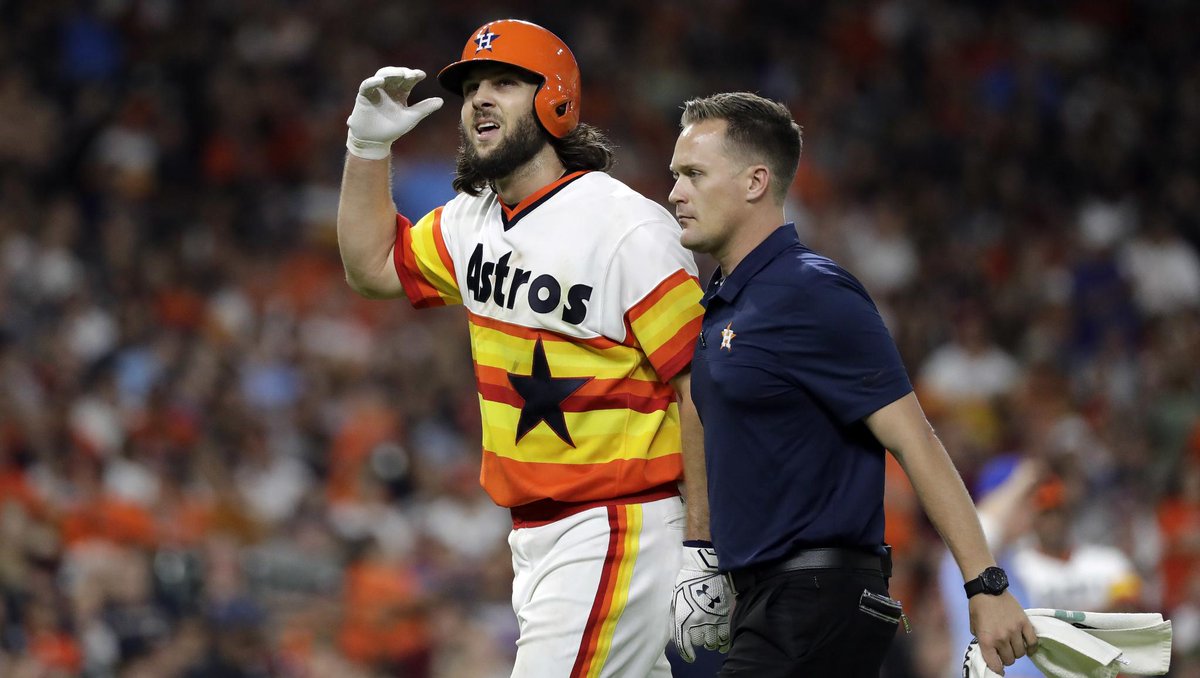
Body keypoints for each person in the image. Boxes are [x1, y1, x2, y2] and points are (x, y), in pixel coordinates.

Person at [335, 19, 713, 677]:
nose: (480, 97)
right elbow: (372, 266)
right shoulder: (471, 217)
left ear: (555, 100)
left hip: (616, 524)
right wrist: (366, 145)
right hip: (536, 535)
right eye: (472, 86)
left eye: (504, 83)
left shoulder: (626, 228)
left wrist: (703, 544)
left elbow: (703, 387)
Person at [665, 91, 1037, 677]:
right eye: (675, 175)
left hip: (816, 599)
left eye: (693, 174)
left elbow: (916, 440)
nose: (675, 192)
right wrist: (703, 554)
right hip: (767, 603)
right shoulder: (724, 304)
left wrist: (985, 586)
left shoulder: (812, 292)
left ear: (755, 181)